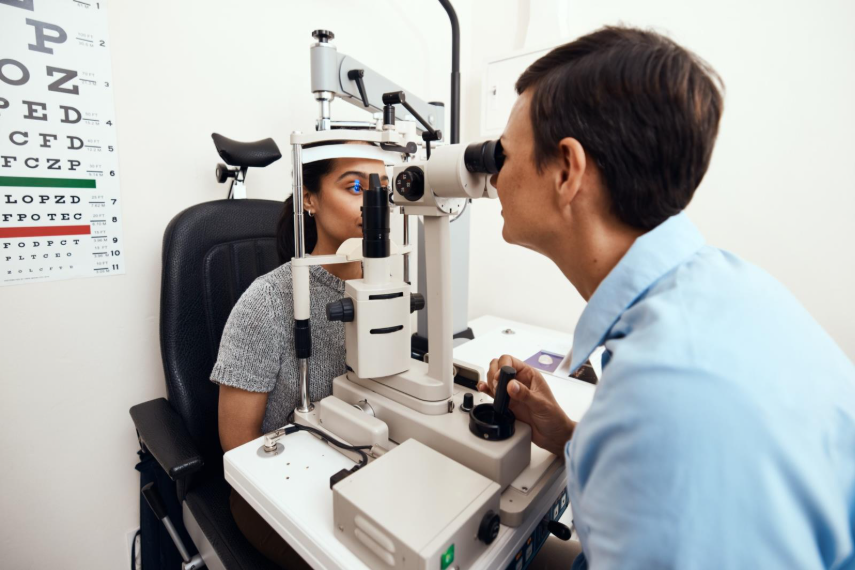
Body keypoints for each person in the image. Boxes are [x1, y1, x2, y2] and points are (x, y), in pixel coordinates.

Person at [478, 26, 855, 569]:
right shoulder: (720, 287)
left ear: (566, 170)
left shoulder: (667, 400)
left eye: (504, 156)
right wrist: (572, 438)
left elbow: (671, 451)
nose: (494, 177)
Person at [210, 142, 388, 569]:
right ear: (310, 198)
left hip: (364, 464)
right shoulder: (268, 301)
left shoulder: (389, 287)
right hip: (275, 492)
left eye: (382, 187)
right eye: (356, 186)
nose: (374, 203)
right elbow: (238, 445)